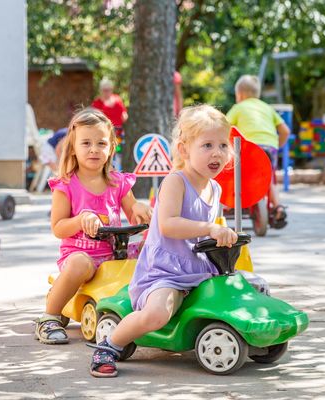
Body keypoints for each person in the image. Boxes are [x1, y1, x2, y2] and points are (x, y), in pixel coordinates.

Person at [89, 104, 238, 378]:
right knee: (158, 313)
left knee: (244, 288)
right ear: (184, 150)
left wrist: (224, 235)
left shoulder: (215, 188)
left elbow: (207, 233)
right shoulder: (175, 181)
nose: (217, 153)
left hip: (200, 269)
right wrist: (210, 227)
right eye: (207, 145)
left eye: (223, 145)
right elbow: (168, 225)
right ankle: (109, 346)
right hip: (165, 272)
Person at [34, 108, 152, 345]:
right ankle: (49, 318)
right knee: (80, 263)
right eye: (86, 143)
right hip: (81, 255)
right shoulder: (66, 184)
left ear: (111, 147)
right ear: (73, 148)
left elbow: (134, 215)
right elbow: (58, 227)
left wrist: (140, 209)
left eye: (101, 143)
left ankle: (150, 310)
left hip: (115, 254)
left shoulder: (117, 182)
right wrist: (80, 220)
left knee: (154, 251)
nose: (94, 149)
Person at [226, 75, 290, 228]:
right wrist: (277, 146)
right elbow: (285, 131)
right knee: (269, 178)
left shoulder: (238, 108)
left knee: (236, 173)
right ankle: (277, 206)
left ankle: (230, 203)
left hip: (250, 147)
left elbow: (224, 127)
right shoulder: (267, 108)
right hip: (269, 147)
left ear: (239, 94)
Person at [91, 78, 128, 171]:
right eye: (105, 90)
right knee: (106, 153)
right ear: (101, 90)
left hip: (117, 132)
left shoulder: (117, 99)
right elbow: (93, 119)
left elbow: (124, 116)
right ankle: (106, 171)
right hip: (104, 132)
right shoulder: (97, 103)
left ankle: (117, 172)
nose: (107, 92)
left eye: (109, 90)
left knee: (118, 153)